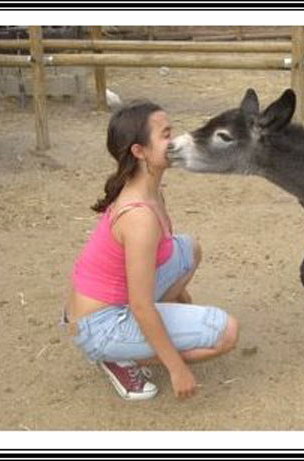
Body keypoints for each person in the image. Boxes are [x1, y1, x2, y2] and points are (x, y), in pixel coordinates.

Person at [63, 99, 239, 401]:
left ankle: (142, 340)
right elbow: (141, 305)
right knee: (226, 333)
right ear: (139, 151)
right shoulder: (139, 217)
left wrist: (183, 307)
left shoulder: (149, 188)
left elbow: (164, 260)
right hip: (101, 325)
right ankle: (118, 357)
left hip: (104, 304)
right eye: (166, 134)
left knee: (188, 249)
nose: (176, 140)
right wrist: (176, 367)